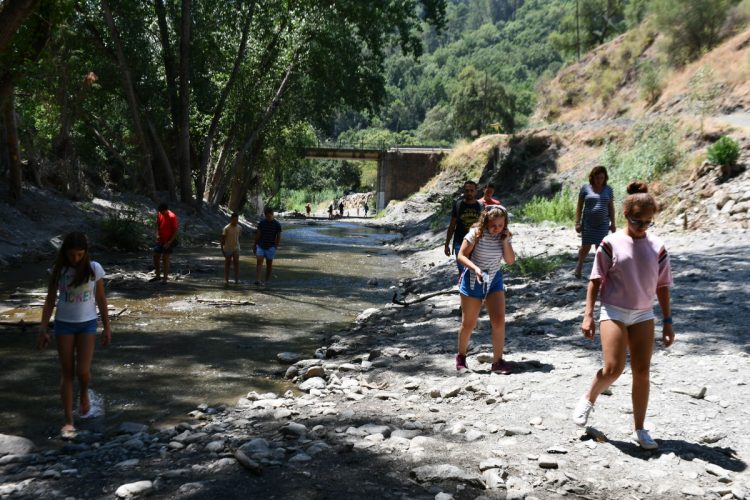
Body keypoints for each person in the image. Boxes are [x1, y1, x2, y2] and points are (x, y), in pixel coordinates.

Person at [572, 181, 674, 451]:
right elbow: (595, 280)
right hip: (614, 311)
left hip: (643, 314)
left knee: (642, 372)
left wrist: (668, 321)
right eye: (637, 221)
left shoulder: (658, 247)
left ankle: (640, 429)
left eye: (647, 222)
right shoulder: (611, 242)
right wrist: (588, 316)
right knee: (613, 368)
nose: (642, 227)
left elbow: (663, 286)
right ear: (627, 215)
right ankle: (589, 398)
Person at [37, 232, 111, 439]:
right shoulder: (59, 270)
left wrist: (107, 327)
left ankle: (85, 393)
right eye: (72, 255)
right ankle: (68, 420)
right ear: (65, 253)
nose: (75, 259)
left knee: (83, 371)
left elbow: (102, 300)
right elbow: (50, 300)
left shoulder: (94, 269)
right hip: (63, 326)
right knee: (67, 372)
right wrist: (43, 329)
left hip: (87, 324)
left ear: (85, 253)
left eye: (79, 255)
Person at [455, 206, 516, 374]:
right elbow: (460, 255)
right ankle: (461, 357)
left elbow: (510, 261)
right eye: (493, 225)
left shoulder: (505, 235)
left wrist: (505, 241)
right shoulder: (476, 233)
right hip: (473, 279)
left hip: (494, 279)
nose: (497, 229)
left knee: (498, 321)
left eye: (501, 225)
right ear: (486, 222)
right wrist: (475, 268)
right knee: (469, 323)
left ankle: (497, 362)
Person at [575, 166, 615, 278]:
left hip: (603, 223)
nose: (599, 180)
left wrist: (613, 224)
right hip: (588, 223)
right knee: (585, 246)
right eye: (597, 178)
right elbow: (579, 207)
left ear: (605, 178)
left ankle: (599, 271)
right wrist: (577, 222)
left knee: (600, 248)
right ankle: (579, 265)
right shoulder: (585, 188)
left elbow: (611, 207)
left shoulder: (608, 189)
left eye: (602, 178)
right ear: (592, 177)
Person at [444, 180, 482, 276]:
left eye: (472, 190)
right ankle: (464, 289)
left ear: (476, 191)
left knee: (476, 269)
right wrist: (447, 244)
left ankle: (475, 290)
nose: (469, 193)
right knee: (463, 271)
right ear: (464, 191)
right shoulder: (458, 205)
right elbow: (452, 226)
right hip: (459, 242)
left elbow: (485, 227)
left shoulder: (481, 207)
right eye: (467, 190)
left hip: (476, 243)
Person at [253, 206, 282, 286]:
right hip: (261, 245)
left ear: (272, 215)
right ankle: (258, 280)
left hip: (271, 247)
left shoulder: (277, 224)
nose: (268, 217)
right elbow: (258, 234)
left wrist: (276, 246)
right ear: (265, 215)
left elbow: (278, 236)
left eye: (270, 216)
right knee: (259, 262)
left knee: (269, 264)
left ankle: (267, 281)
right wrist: (255, 244)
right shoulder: (261, 223)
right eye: (267, 216)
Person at [152, 202, 179, 282]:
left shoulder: (172, 216)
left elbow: (175, 231)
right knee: (155, 256)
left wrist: (169, 242)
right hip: (160, 239)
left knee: (165, 258)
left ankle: (165, 278)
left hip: (168, 240)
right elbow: (157, 224)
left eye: (162, 212)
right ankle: (157, 276)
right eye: (160, 212)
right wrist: (156, 234)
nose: (161, 213)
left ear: (166, 210)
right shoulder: (159, 214)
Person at [221, 212, 241, 285]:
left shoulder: (239, 227)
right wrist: (222, 250)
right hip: (228, 248)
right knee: (227, 264)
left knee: (236, 263)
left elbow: (239, 237)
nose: (236, 221)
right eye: (234, 219)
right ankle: (226, 280)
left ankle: (237, 280)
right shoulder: (226, 228)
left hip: (236, 248)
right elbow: (222, 240)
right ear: (231, 219)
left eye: (237, 219)